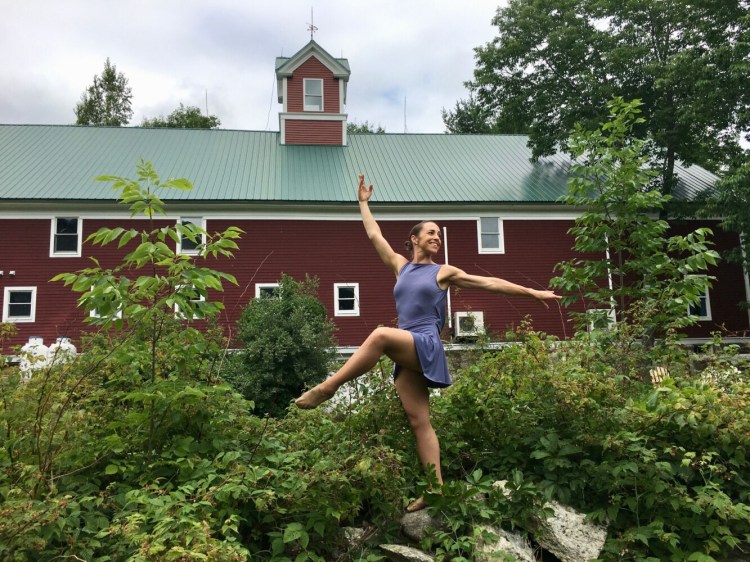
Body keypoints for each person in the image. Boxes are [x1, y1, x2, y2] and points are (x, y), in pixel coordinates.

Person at [295, 174, 561, 511]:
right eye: (431, 232)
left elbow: (489, 283)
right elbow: (375, 235)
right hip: (408, 349)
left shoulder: (443, 272)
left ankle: (328, 388)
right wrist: (363, 203)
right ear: (414, 239)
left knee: (379, 334)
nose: (437, 237)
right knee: (419, 420)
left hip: (425, 343)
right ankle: (434, 489)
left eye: (438, 233)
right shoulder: (401, 267)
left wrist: (531, 291)